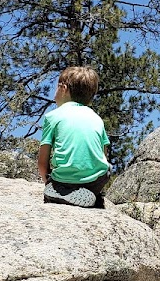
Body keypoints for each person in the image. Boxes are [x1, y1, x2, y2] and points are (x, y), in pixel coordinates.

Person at [38, 66, 110, 209]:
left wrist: (47, 181)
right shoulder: (97, 118)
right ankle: (92, 194)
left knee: (53, 185)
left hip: (65, 180)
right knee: (106, 170)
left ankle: (59, 193)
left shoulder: (53, 116)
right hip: (96, 180)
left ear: (63, 88)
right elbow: (104, 155)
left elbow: (42, 162)